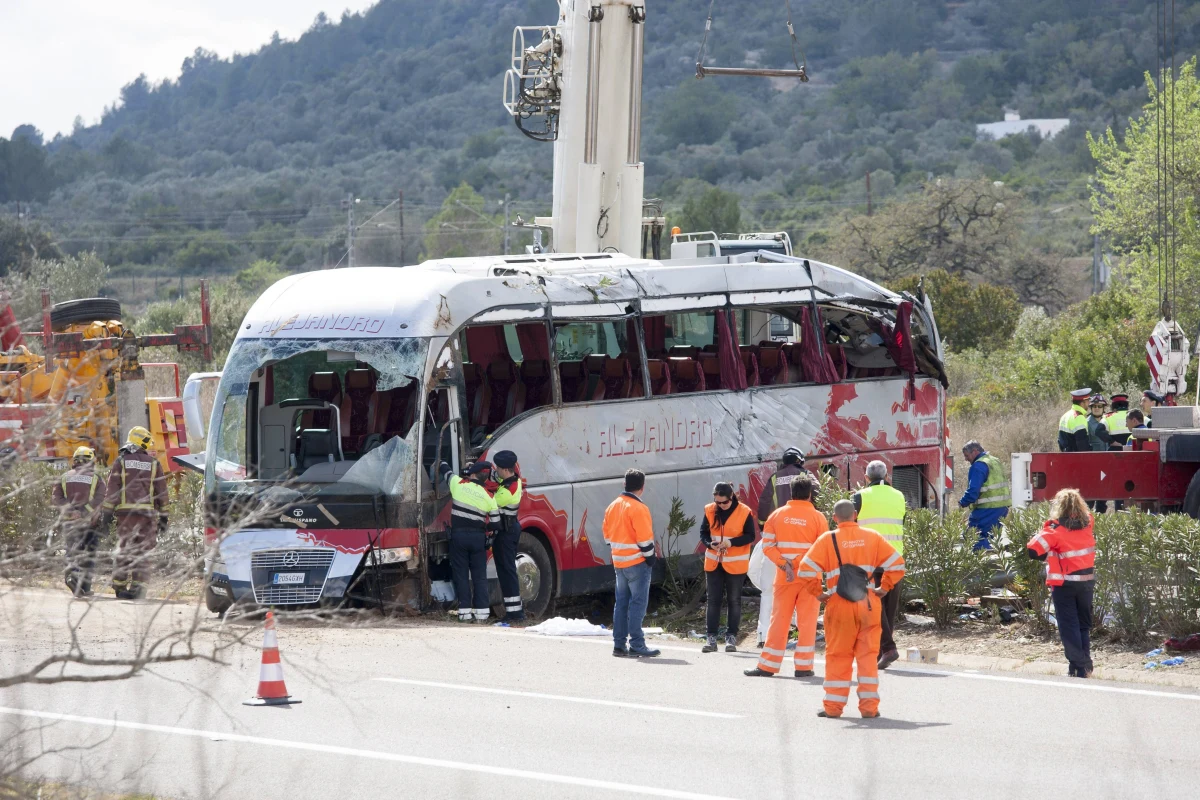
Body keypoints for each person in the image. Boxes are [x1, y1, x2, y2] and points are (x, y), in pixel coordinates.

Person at [797, 500, 904, 719]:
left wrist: (818, 593)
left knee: (838, 657)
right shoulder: (872, 537)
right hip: (868, 604)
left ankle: (833, 708)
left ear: (834, 518)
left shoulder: (827, 540)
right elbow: (897, 564)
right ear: (855, 514)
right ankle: (869, 708)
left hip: (839, 605)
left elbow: (805, 570)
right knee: (868, 658)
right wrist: (884, 587)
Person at [744, 473, 827, 678]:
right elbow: (822, 549)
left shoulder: (776, 515)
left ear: (791, 492)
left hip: (784, 577)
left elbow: (767, 546)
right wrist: (798, 564)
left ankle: (767, 666)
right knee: (807, 623)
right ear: (809, 494)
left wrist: (784, 564)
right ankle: (804, 667)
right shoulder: (818, 517)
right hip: (810, 578)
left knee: (779, 621)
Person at [1026, 489, 1095, 678]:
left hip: (1065, 585)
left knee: (1069, 627)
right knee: (1083, 625)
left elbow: (1033, 550)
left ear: (1058, 507)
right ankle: (1081, 667)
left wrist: (1048, 530)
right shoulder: (1088, 522)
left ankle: (1081, 666)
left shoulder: (1054, 530)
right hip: (1087, 583)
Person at [102, 427, 168, 600]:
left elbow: (112, 488)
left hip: (126, 516)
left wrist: (107, 513)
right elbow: (161, 492)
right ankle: (139, 589)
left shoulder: (121, 461)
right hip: (147, 516)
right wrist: (164, 517)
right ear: (143, 443)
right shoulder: (154, 463)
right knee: (143, 552)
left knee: (124, 550)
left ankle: (120, 587)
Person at [852, 460, 906, 670]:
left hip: (871, 559)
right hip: (895, 558)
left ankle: (888, 648)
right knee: (888, 610)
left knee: (874, 607)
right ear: (886, 477)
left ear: (866, 478)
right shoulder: (899, 495)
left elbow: (850, 525)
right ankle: (882, 652)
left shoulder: (860, 496)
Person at [602, 469, 660, 658]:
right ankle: (636, 644)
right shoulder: (639, 508)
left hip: (619, 562)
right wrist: (651, 558)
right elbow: (645, 540)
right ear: (642, 487)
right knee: (637, 604)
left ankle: (619, 645)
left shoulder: (612, 506)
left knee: (621, 604)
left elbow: (607, 537)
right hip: (637, 562)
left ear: (624, 484)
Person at [754, 446, 808, 647]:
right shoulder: (806, 476)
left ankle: (764, 636)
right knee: (804, 594)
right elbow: (819, 500)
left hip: (775, 545)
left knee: (768, 591)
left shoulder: (775, 478)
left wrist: (765, 529)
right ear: (800, 460)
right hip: (802, 545)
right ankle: (803, 635)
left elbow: (763, 505)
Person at [440, 459, 500, 622]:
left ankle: (464, 612)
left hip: (458, 537)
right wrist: (482, 528)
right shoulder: (489, 496)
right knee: (479, 575)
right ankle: (482, 613)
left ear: (472, 474)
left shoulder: (459, 484)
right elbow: (496, 523)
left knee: (461, 574)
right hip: (478, 538)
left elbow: (446, 471)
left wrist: (442, 462)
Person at [699, 482, 755, 653]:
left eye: (725, 502)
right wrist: (710, 544)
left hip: (735, 563)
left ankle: (731, 637)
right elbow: (703, 533)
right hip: (714, 562)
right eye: (718, 502)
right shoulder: (710, 510)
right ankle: (711, 638)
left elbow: (750, 536)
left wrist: (731, 542)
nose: (721, 505)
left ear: (732, 497)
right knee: (713, 600)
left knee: (734, 600)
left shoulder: (744, 511)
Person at [53, 445, 102, 597]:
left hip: (70, 522)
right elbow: (101, 498)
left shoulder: (64, 477)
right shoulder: (96, 478)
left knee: (72, 550)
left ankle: (71, 577)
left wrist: (71, 511)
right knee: (89, 554)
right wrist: (83, 512)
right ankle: (85, 587)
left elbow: (56, 498)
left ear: (75, 460)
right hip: (90, 523)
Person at [491, 450, 525, 621]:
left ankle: (515, 613)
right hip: (509, 529)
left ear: (505, 470)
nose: (496, 471)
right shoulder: (514, 480)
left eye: (497, 468)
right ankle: (513, 612)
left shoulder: (507, 491)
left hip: (506, 532)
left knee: (507, 571)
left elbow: (488, 503)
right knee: (506, 570)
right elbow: (496, 480)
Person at [958, 441, 1009, 550]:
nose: (966, 459)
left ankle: (982, 559)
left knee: (974, 536)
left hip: (986, 509)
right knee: (991, 538)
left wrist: (962, 502)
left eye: (967, 455)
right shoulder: (994, 460)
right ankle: (992, 557)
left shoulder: (978, 466)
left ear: (975, 451)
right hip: (1002, 508)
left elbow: (973, 492)